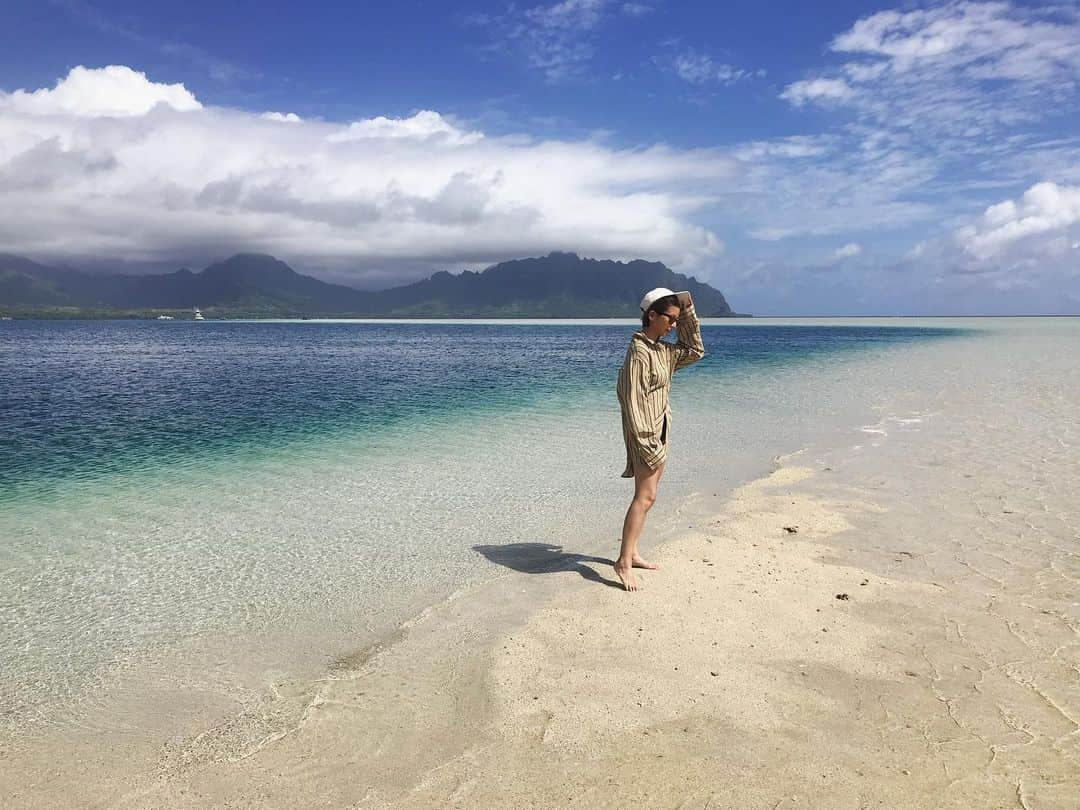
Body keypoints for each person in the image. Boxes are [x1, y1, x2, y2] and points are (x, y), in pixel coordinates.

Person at [614, 287, 705, 591]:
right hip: (646, 436)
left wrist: (688, 311)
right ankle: (623, 563)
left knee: (647, 497)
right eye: (670, 319)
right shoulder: (639, 352)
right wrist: (645, 443)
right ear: (651, 316)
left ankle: (632, 553)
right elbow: (631, 400)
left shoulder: (662, 352)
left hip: (660, 431)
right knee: (645, 497)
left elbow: (695, 351)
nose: (674, 326)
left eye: (677, 320)